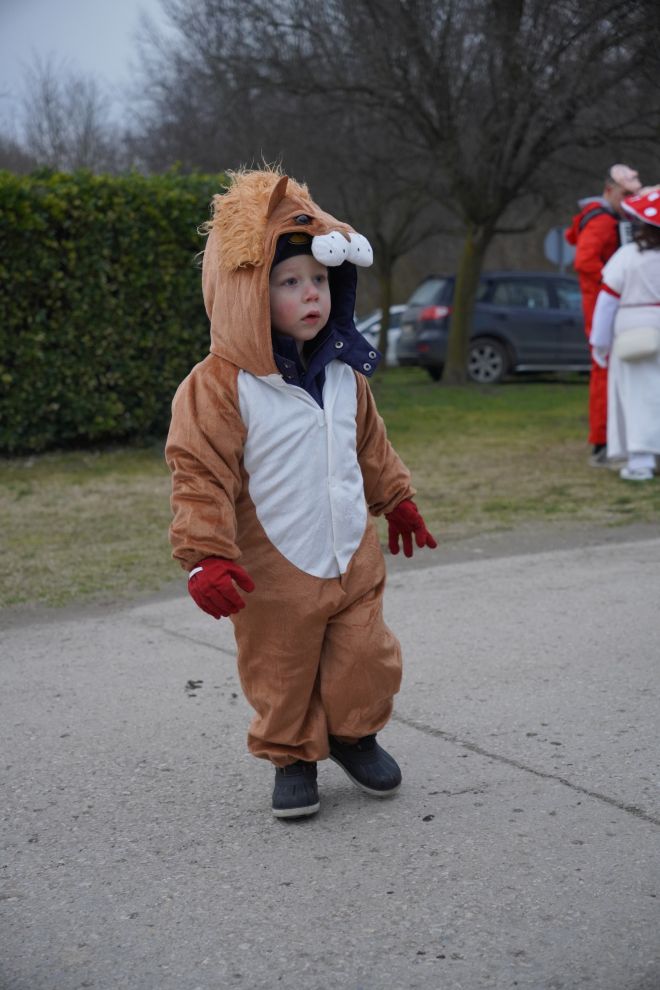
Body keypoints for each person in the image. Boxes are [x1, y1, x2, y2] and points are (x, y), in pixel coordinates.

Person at [165, 168, 437, 820]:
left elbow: (368, 442)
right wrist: (206, 553)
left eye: (318, 280)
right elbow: (199, 472)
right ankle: (291, 755)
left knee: (365, 655)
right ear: (246, 294)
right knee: (281, 668)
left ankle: (354, 733)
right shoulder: (221, 385)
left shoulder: (344, 370)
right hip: (272, 567)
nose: (309, 294)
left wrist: (395, 497)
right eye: (288, 282)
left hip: (350, 547)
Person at [565, 164, 642, 466]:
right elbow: (584, 262)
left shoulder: (606, 218)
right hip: (601, 306)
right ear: (610, 191)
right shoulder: (602, 222)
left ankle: (609, 436)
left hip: (601, 303)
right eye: (625, 194)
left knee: (607, 368)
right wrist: (617, 283)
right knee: (604, 368)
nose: (629, 201)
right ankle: (602, 440)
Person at [589, 188, 660, 481]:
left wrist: (599, 342)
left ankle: (641, 461)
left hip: (632, 328)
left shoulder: (627, 256)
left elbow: (607, 301)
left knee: (636, 395)